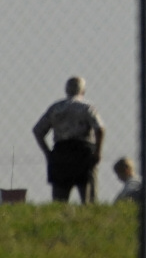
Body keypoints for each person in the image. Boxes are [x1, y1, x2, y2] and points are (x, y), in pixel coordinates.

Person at [33, 76, 105, 204]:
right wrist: (98, 152)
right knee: (88, 198)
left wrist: (48, 153)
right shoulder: (86, 107)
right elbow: (100, 129)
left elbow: (38, 131)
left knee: (60, 199)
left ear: (66, 90)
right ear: (83, 91)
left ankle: (58, 220)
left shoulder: (56, 108)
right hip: (83, 152)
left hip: (61, 152)